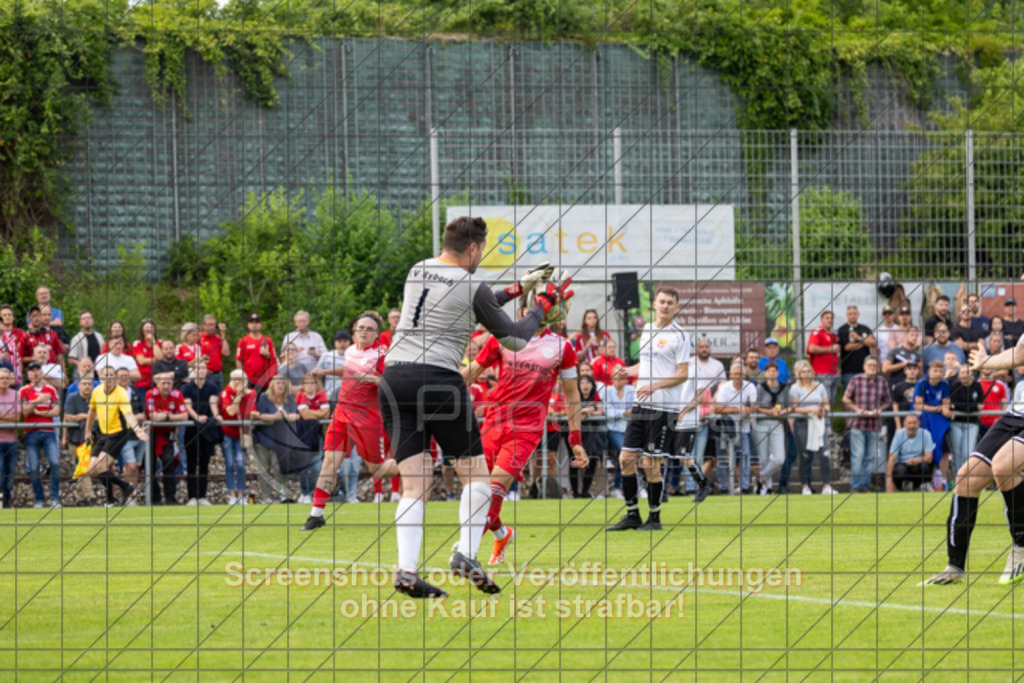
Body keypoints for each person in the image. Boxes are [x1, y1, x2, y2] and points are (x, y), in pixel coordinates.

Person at [380, 216, 567, 598]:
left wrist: (517, 289)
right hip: (436, 380)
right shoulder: (472, 283)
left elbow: (473, 302)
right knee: (477, 478)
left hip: (394, 379)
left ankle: (406, 571)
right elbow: (514, 338)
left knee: (414, 485)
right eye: (482, 251)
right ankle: (466, 554)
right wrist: (542, 305)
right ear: (473, 248)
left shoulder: (419, 269)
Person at [462, 307, 586, 564]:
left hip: (527, 430)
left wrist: (575, 440)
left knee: (493, 488)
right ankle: (501, 532)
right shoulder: (502, 338)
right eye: (531, 309)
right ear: (521, 311)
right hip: (494, 423)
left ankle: (466, 551)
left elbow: (572, 395)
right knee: (476, 490)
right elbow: (471, 371)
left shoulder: (562, 347)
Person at [301, 314, 401, 527]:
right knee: (329, 461)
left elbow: (391, 384)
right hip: (342, 412)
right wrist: (326, 371)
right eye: (360, 328)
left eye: (368, 329)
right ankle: (316, 515)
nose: (363, 332)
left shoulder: (383, 354)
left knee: (378, 469)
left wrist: (372, 379)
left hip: (367, 417)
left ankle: (414, 464)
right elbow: (349, 371)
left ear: (376, 334)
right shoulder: (350, 350)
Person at [607, 286, 691, 530]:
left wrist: (655, 386)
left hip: (664, 407)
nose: (665, 306)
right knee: (625, 459)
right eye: (661, 301)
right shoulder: (647, 329)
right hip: (641, 405)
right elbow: (646, 366)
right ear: (654, 304)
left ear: (676, 307)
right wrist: (627, 371)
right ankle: (632, 514)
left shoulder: (680, 336)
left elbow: (683, 374)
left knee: (651, 463)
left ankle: (654, 518)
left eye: (670, 303)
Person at [83, 366, 147, 506]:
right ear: (101, 376)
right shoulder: (97, 391)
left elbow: (128, 414)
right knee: (92, 470)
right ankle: (125, 486)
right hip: (102, 434)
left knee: (101, 466)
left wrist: (137, 429)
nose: (109, 377)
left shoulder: (121, 393)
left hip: (118, 434)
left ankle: (111, 499)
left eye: (112, 375)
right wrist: (87, 431)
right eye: (106, 374)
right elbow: (91, 412)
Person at [843, 356, 891, 493]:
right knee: (858, 456)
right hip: (858, 424)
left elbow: (887, 401)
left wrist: (880, 410)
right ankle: (855, 486)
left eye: (875, 366)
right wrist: (857, 410)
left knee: (870, 457)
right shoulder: (856, 379)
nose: (872, 368)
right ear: (864, 366)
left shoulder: (882, 382)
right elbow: (845, 398)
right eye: (869, 365)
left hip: (874, 425)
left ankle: (865, 486)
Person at [251, 375, 300, 503]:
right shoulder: (264, 398)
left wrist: (286, 415)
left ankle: (281, 495)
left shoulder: (289, 399)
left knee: (280, 470)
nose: (280, 386)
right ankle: (266, 496)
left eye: (282, 384)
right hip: (263, 439)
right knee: (264, 469)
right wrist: (274, 417)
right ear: (272, 385)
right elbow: (259, 415)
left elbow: (297, 415)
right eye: (278, 383)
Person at [789, 360, 835, 495]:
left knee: (824, 454)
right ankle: (805, 486)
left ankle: (826, 485)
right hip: (803, 423)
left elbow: (827, 404)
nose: (806, 374)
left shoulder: (819, 386)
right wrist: (811, 411)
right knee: (805, 456)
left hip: (819, 423)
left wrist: (823, 411)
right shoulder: (795, 388)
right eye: (803, 372)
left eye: (808, 371)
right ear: (799, 374)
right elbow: (795, 408)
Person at [712, 360, 758, 494]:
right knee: (722, 457)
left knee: (745, 456)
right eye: (735, 373)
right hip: (725, 428)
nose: (738, 376)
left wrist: (748, 409)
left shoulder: (750, 387)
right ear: (731, 375)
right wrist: (738, 410)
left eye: (740, 374)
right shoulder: (725, 388)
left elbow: (752, 406)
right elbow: (718, 408)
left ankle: (744, 486)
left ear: (744, 375)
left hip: (743, 428)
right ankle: (723, 487)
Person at [20, 359, 62, 507]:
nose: (35, 373)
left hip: (49, 431)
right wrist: (39, 401)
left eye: (38, 370)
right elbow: (25, 411)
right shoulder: (24, 390)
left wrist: (39, 412)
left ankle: (54, 498)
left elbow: (57, 411)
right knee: (33, 467)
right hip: (31, 433)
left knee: (55, 463)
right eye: (32, 370)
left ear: (42, 373)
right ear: (28, 374)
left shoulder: (51, 389)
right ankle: (39, 499)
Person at [144, 372, 189, 505]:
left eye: (168, 383)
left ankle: (170, 498)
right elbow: (153, 416)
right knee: (150, 467)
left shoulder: (177, 394)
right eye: (163, 383)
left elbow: (184, 416)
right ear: (157, 384)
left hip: (167, 434)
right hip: (151, 434)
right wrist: (167, 416)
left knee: (168, 464)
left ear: (172, 384)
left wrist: (167, 417)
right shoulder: (150, 394)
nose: (166, 386)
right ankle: (155, 498)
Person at [182, 362, 221, 505]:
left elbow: (213, 403)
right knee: (192, 464)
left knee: (204, 464)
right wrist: (197, 417)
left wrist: (216, 415)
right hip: (192, 429)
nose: (201, 371)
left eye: (203, 368)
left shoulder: (212, 387)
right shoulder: (186, 387)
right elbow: (188, 406)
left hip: (207, 429)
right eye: (198, 369)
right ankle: (192, 496)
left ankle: (202, 496)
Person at [218, 369, 257, 505]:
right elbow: (229, 411)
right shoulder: (226, 392)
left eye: (240, 379)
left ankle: (241, 494)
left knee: (240, 464)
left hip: (242, 433)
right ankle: (231, 495)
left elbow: (251, 412)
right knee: (229, 463)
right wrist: (239, 396)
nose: (237, 382)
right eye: (235, 379)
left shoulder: (251, 393)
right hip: (228, 432)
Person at [753, 361, 790, 494]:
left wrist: (781, 412)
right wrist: (770, 411)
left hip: (777, 423)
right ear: (765, 373)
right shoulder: (760, 388)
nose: (772, 373)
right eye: (769, 371)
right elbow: (755, 406)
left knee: (779, 458)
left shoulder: (784, 388)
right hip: (762, 423)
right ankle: (766, 488)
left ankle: (760, 478)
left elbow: (790, 406)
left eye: (774, 371)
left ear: (778, 373)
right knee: (764, 457)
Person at [62, 374, 96, 506]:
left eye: (89, 384)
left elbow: (100, 417)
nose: (87, 386)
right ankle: (90, 496)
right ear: (79, 386)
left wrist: (82, 416)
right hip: (75, 439)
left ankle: (80, 498)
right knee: (82, 467)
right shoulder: (72, 398)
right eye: (84, 384)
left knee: (84, 467)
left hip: (91, 438)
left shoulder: (96, 399)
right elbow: (69, 417)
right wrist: (89, 416)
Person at [294, 374, 328, 505]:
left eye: (312, 383)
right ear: (303, 385)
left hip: (317, 434)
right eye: (307, 383)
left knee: (316, 467)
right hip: (302, 435)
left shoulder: (321, 395)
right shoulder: (300, 396)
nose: (310, 386)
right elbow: (305, 415)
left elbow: (326, 414)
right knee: (303, 465)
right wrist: (317, 414)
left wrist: (311, 414)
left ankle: (313, 490)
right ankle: (305, 493)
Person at [948, 363, 983, 480]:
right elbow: (953, 405)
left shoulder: (977, 386)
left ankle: (968, 477)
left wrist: (962, 407)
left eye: (967, 372)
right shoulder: (954, 386)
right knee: (956, 453)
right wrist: (971, 407)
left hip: (972, 423)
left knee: (967, 452)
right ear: (959, 374)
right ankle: (958, 478)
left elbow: (980, 406)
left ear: (972, 374)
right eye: (962, 372)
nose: (965, 375)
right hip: (956, 422)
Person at [115, 367, 147, 495]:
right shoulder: (113, 394)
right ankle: (128, 496)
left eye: (126, 375)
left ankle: (131, 495)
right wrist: (133, 417)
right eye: (121, 375)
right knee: (131, 465)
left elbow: (143, 410)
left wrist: (141, 415)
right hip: (123, 436)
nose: (124, 378)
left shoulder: (135, 392)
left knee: (136, 467)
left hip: (137, 435)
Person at [572, 375, 603, 499]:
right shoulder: (574, 396)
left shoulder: (595, 396)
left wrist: (587, 411)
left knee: (591, 461)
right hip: (576, 434)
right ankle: (575, 492)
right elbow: (573, 413)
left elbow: (600, 411)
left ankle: (585, 491)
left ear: (592, 385)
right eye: (582, 383)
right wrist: (586, 410)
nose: (585, 385)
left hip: (592, 435)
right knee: (574, 463)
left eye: (588, 383)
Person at [604, 372, 636, 497]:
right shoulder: (607, 391)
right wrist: (624, 412)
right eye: (617, 378)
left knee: (625, 459)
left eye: (622, 378)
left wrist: (623, 412)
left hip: (630, 429)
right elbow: (608, 412)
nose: (619, 381)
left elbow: (635, 408)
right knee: (626, 455)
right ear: (612, 379)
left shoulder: (631, 390)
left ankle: (620, 487)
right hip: (614, 429)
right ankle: (624, 487)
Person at [886, 413, 934, 491]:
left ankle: (917, 487)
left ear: (919, 423)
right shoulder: (899, 435)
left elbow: (929, 458)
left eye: (914, 423)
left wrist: (916, 460)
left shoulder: (926, 434)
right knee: (899, 470)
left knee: (924, 468)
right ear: (904, 424)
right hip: (902, 464)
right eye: (909, 423)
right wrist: (889, 481)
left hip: (918, 464)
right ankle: (900, 488)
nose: (912, 426)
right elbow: (891, 458)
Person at [838, 305, 876, 389]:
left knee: (865, 395)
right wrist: (865, 341)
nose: (852, 316)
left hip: (865, 369)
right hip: (849, 370)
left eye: (854, 313)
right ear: (847, 315)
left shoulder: (865, 328)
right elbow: (848, 347)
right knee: (850, 397)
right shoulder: (842, 329)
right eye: (850, 314)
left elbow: (874, 343)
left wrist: (858, 338)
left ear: (858, 314)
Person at [236, 313, 277, 391]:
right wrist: (242, 376)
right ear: (248, 325)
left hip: (265, 381)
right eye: (252, 322)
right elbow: (238, 360)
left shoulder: (268, 341)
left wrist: (267, 354)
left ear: (260, 325)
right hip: (249, 381)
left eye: (257, 322)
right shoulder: (243, 341)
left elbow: (274, 361)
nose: (254, 325)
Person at [806, 310, 840, 400]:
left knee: (831, 402)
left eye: (832, 318)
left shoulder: (832, 335)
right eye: (827, 318)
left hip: (833, 373)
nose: (830, 320)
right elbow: (812, 348)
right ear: (821, 320)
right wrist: (830, 349)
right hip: (822, 373)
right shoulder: (818, 330)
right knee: (824, 402)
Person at [280, 310, 327, 375]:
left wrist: (315, 354)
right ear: (295, 323)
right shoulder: (289, 337)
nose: (302, 324)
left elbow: (326, 358)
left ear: (309, 322)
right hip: (296, 374)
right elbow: (283, 358)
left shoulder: (317, 336)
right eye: (299, 321)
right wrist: (294, 351)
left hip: (315, 374)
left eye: (304, 321)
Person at [311, 331, 351, 401]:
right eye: (339, 341)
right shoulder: (326, 356)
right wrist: (323, 393)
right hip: (329, 395)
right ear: (335, 343)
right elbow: (316, 375)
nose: (342, 344)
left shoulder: (354, 357)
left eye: (345, 341)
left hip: (348, 396)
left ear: (349, 343)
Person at [0, 368, 18, 507]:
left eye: (6, 378)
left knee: (10, 473)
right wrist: (9, 419)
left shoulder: (16, 395)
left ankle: (7, 501)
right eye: (1, 378)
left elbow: (17, 418)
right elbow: (12, 419)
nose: (4, 381)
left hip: (12, 441)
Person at [68, 310, 104, 379]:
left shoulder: (99, 337)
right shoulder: (76, 339)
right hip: (83, 376)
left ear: (92, 320)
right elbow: (71, 359)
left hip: (99, 374)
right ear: (80, 322)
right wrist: (84, 365)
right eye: (84, 319)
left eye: (89, 318)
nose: (87, 320)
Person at [199, 314, 231, 388]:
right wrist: (202, 369)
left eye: (213, 325)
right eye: (210, 325)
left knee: (219, 397)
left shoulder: (217, 338)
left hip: (218, 373)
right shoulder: (200, 338)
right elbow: (194, 356)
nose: (212, 327)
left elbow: (226, 353)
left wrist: (223, 334)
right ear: (204, 325)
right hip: (207, 374)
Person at [0, 304, 28, 386]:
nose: (7, 317)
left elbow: (21, 357)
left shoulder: (21, 333)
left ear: (13, 317)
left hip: (16, 375)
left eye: (9, 315)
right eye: (4, 315)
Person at [132, 319, 158, 391]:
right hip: (142, 382)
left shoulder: (159, 343)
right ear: (142, 330)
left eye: (151, 327)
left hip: (157, 381)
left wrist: (153, 342)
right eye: (146, 327)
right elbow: (141, 361)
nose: (149, 329)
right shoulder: (137, 343)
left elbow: (161, 358)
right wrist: (156, 360)